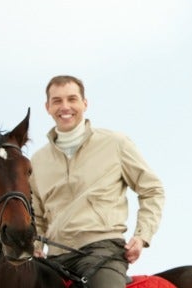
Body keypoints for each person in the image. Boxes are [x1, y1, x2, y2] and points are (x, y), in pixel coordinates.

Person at [30, 75, 165, 288]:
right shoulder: (37, 161)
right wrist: (34, 245)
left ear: (84, 103)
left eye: (72, 99)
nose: (65, 106)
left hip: (103, 251)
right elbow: (36, 216)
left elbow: (152, 190)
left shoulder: (115, 143)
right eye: (57, 101)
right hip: (54, 257)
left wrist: (142, 236)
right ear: (47, 107)